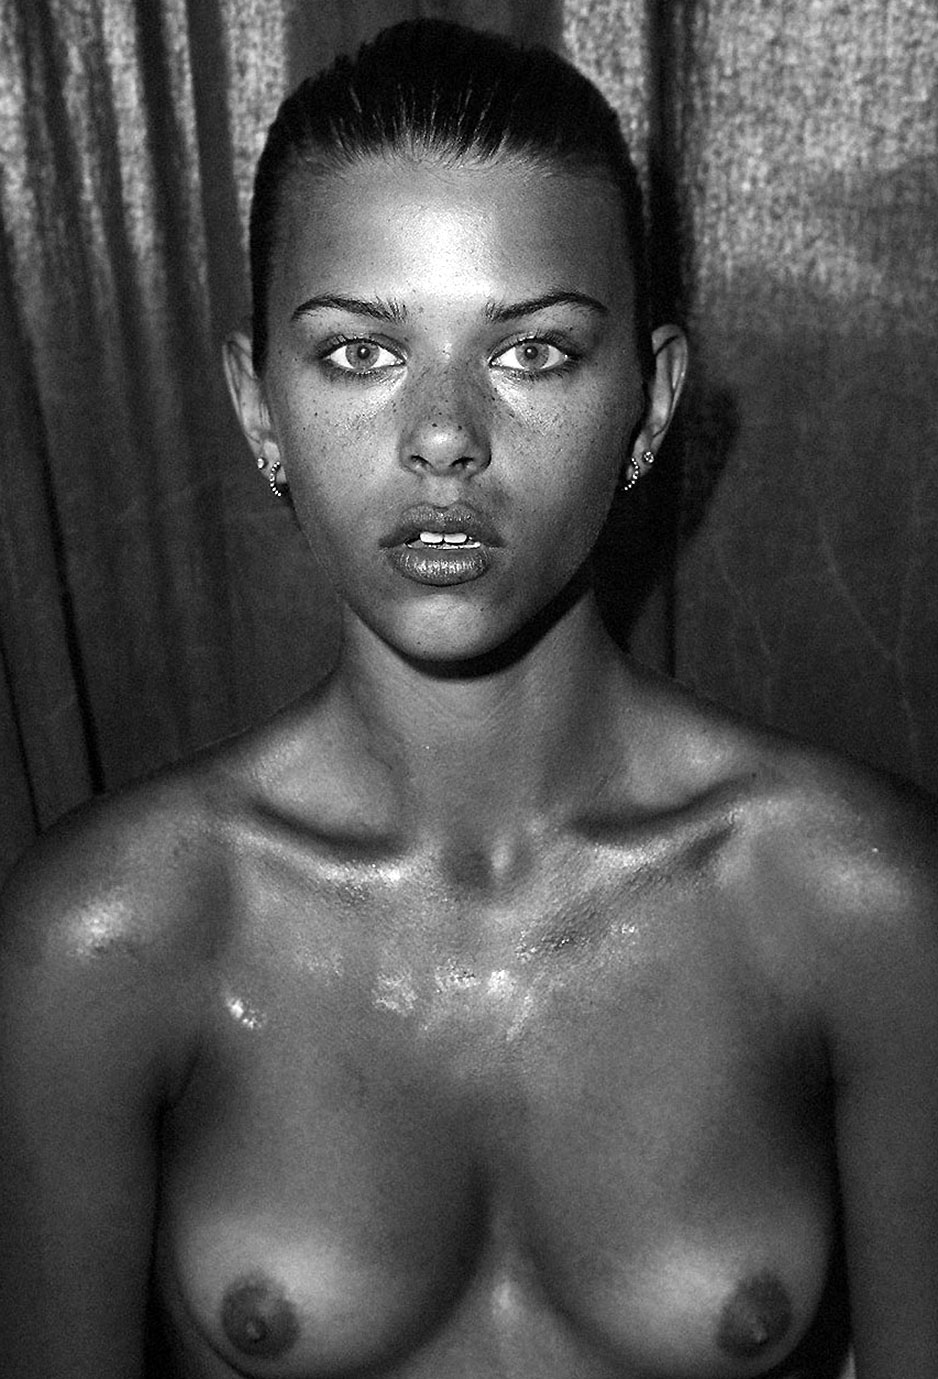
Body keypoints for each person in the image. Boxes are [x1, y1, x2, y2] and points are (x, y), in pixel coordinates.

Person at [1, 18, 935, 1378]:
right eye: (360, 354)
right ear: (258, 407)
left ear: (652, 404)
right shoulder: (106, 939)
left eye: (533, 352)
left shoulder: (860, 905)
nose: (443, 436)